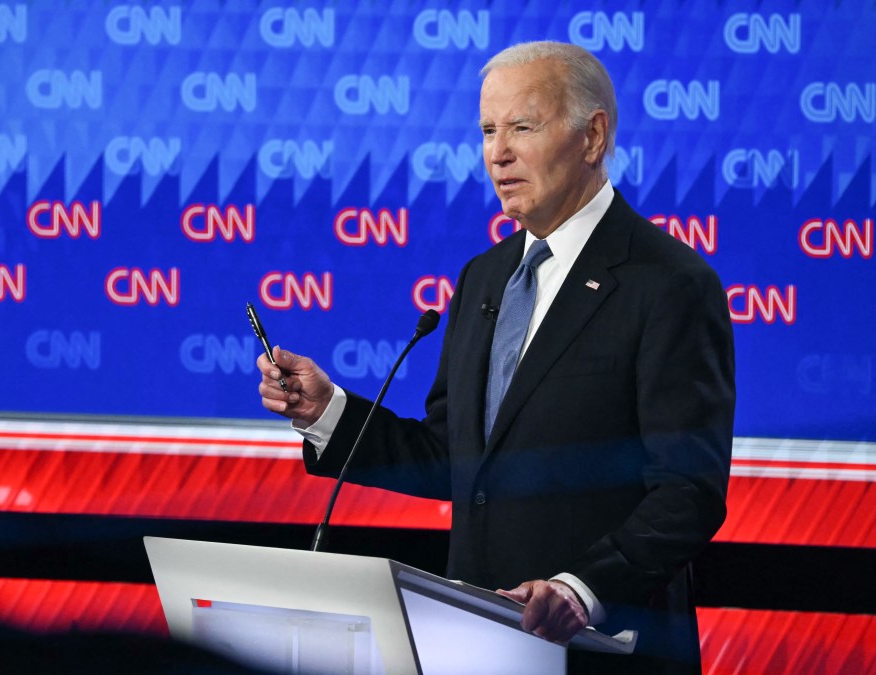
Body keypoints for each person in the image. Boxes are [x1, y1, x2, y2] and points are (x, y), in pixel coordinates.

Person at [257, 40, 735, 674]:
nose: (497, 152)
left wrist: (579, 589)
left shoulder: (669, 284)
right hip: (476, 645)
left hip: (601, 652)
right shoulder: (485, 278)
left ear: (592, 137)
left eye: (522, 127)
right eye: (487, 130)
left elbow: (687, 493)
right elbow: (454, 461)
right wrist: (329, 414)